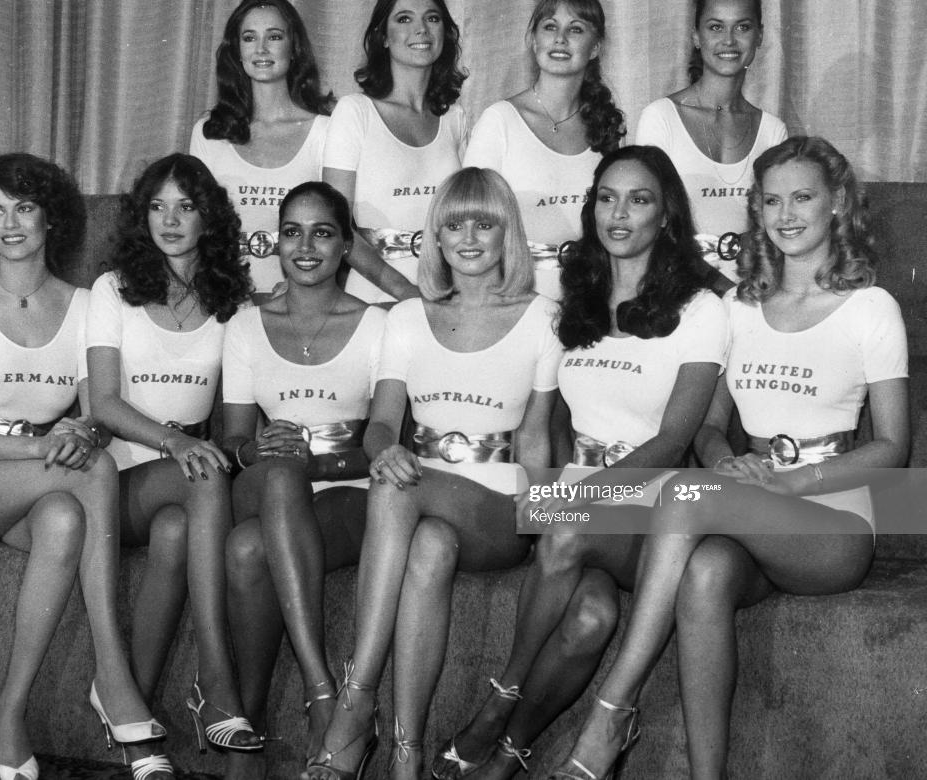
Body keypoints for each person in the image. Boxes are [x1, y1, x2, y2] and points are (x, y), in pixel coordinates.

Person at [548, 136, 908, 780]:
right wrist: (725, 464)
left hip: (832, 522)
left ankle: (612, 709)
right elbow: (711, 428)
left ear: (836, 203)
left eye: (802, 197)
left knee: (680, 495)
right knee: (705, 571)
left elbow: (893, 447)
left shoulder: (871, 308)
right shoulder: (738, 306)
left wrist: (792, 483)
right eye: (771, 200)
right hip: (752, 506)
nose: (786, 214)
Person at [431, 146, 726, 780]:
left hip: (653, 510)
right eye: (607, 198)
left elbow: (674, 440)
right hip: (582, 506)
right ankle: (510, 757)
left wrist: (574, 500)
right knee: (591, 618)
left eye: (639, 200)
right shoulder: (576, 297)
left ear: (666, 215)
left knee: (565, 529)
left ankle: (500, 698)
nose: (619, 213)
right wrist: (556, 487)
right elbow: (555, 420)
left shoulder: (701, 309)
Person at [308, 167, 563, 780]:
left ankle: (355, 699)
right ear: (437, 237)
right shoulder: (406, 318)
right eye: (454, 225)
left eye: (484, 224)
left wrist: (546, 525)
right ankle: (407, 751)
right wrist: (383, 451)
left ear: (507, 233)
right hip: (422, 500)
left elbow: (534, 435)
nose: (468, 238)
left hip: (499, 505)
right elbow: (380, 425)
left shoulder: (544, 318)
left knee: (398, 489)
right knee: (427, 547)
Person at [0, 153, 169, 780]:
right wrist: (46, 447)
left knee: (63, 519)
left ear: (50, 218)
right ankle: (113, 676)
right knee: (94, 472)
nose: (9, 225)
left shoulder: (85, 305)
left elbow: (95, 414)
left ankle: (8, 712)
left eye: (24, 208)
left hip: (43, 483)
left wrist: (81, 433)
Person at [86, 154, 255, 761]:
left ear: (209, 216)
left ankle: (128, 714)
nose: (171, 220)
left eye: (186, 206)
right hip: (117, 477)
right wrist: (176, 441)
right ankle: (215, 677)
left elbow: (237, 419)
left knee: (178, 529)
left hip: (185, 479)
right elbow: (103, 402)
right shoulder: (113, 289)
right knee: (204, 476)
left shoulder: (234, 300)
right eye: (157, 206)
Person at [220, 181, 386, 780]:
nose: (306, 246)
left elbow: (387, 441)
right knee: (280, 475)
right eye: (292, 232)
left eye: (323, 233)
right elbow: (233, 440)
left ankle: (250, 726)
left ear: (346, 246)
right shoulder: (245, 325)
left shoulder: (377, 325)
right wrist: (255, 448)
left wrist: (312, 463)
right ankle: (322, 693)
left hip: (349, 487)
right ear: (277, 243)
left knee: (247, 550)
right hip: (269, 480)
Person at [464, 0, 624, 300]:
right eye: (550, 27)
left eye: (575, 29)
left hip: (591, 301)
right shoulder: (499, 121)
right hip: (513, 299)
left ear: (595, 48)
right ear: (533, 40)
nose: (560, 39)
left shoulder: (606, 126)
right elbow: (470, 224)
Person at [635, 0, 787, 293]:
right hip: (678, 293)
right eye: (716, 27)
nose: (729, 40)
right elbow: (650, 226)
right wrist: (721, 291)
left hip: (754, 295)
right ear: (696, 36)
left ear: (759, 36)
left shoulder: (773, 131)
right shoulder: (661, 118)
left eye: (742, 27)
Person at [323, 0, 468, 303]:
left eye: (432, 18)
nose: (421, 29)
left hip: (446, 298)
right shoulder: (355, 112)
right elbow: (335, 225)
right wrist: (406, 293)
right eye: (404, 19)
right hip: (374, 298)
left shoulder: (455, 118)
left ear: (445, 32)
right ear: (383, 37)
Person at [191, 0, 334, 301]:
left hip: (302, 300)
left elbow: (338, 230)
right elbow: (198, 228)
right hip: (223, 299)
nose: (261, 49)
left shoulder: (327, 131)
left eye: (274, 36)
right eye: (249, 38)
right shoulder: (208, 132)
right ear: (236, 51)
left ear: (294, 48)